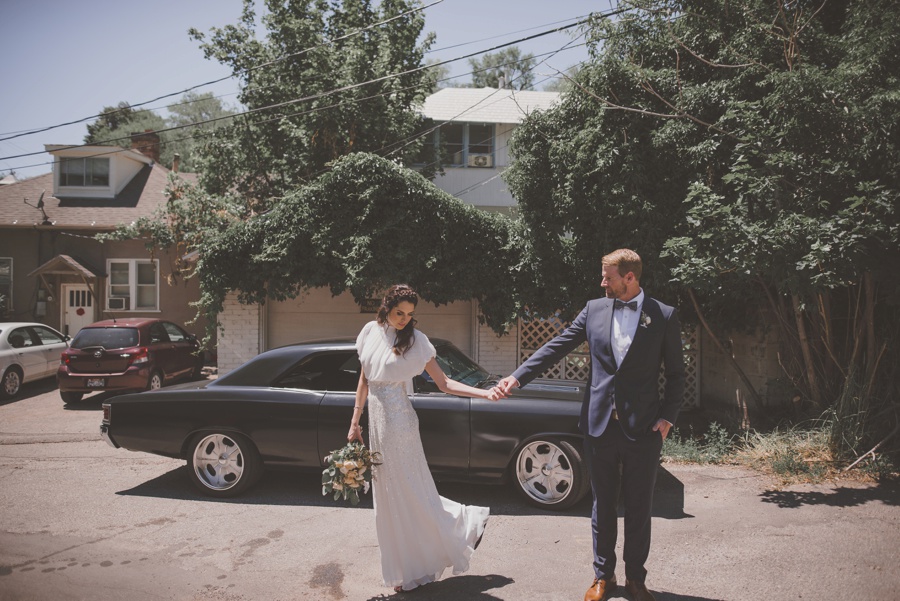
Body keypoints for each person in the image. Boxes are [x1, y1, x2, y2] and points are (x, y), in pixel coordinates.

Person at [498, 249, 685, 601]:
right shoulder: (594, 309)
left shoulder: (663, 315)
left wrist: (668, 417)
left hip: (644, 428)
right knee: (602, 504)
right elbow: (557, 345)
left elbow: (676, 374)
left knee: (640, 506)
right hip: (599, 424)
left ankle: (635, 580)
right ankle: (603, 576)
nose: (603, 282)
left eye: (608, 277)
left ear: (629, 277)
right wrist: (517, 377)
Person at [349, 284, 501, 594]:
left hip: (400, 424)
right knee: (390, 498)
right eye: (399, 312)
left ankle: (465, 522)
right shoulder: (368, 331)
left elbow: (444, 383)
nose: (404, 319)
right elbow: (364, 378)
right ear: (386, 307)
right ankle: (407, 571)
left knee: (410, 492)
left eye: (409, 314)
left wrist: (484, 393)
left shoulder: (417, 342)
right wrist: (355, 422)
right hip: (376, 423)